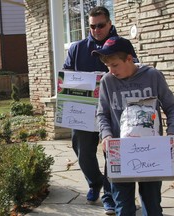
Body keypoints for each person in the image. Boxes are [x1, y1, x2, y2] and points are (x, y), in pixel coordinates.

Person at [93, 36, 174, 216]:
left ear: (129, 59)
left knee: (152, 205)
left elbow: (172, 107)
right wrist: (106, 135)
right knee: (123, 207)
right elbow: (102, 114)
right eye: (107, 66)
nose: (111, 70)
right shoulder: (107, 81)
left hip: (152, 152)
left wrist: (173, 132)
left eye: (115, 65)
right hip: (119, 152)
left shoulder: (153, 76)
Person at [63, 6, 137, 215]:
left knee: (111, 154)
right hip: (83, 111)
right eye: (92, 26)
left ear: (109, 24)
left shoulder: (122, 45)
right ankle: (94, 183)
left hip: (114, 110)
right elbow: (65, 76)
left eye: (101, 25)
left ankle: (110, 196)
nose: (96, 30)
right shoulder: (77, 48)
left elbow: (133, 69)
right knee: (83, 151)